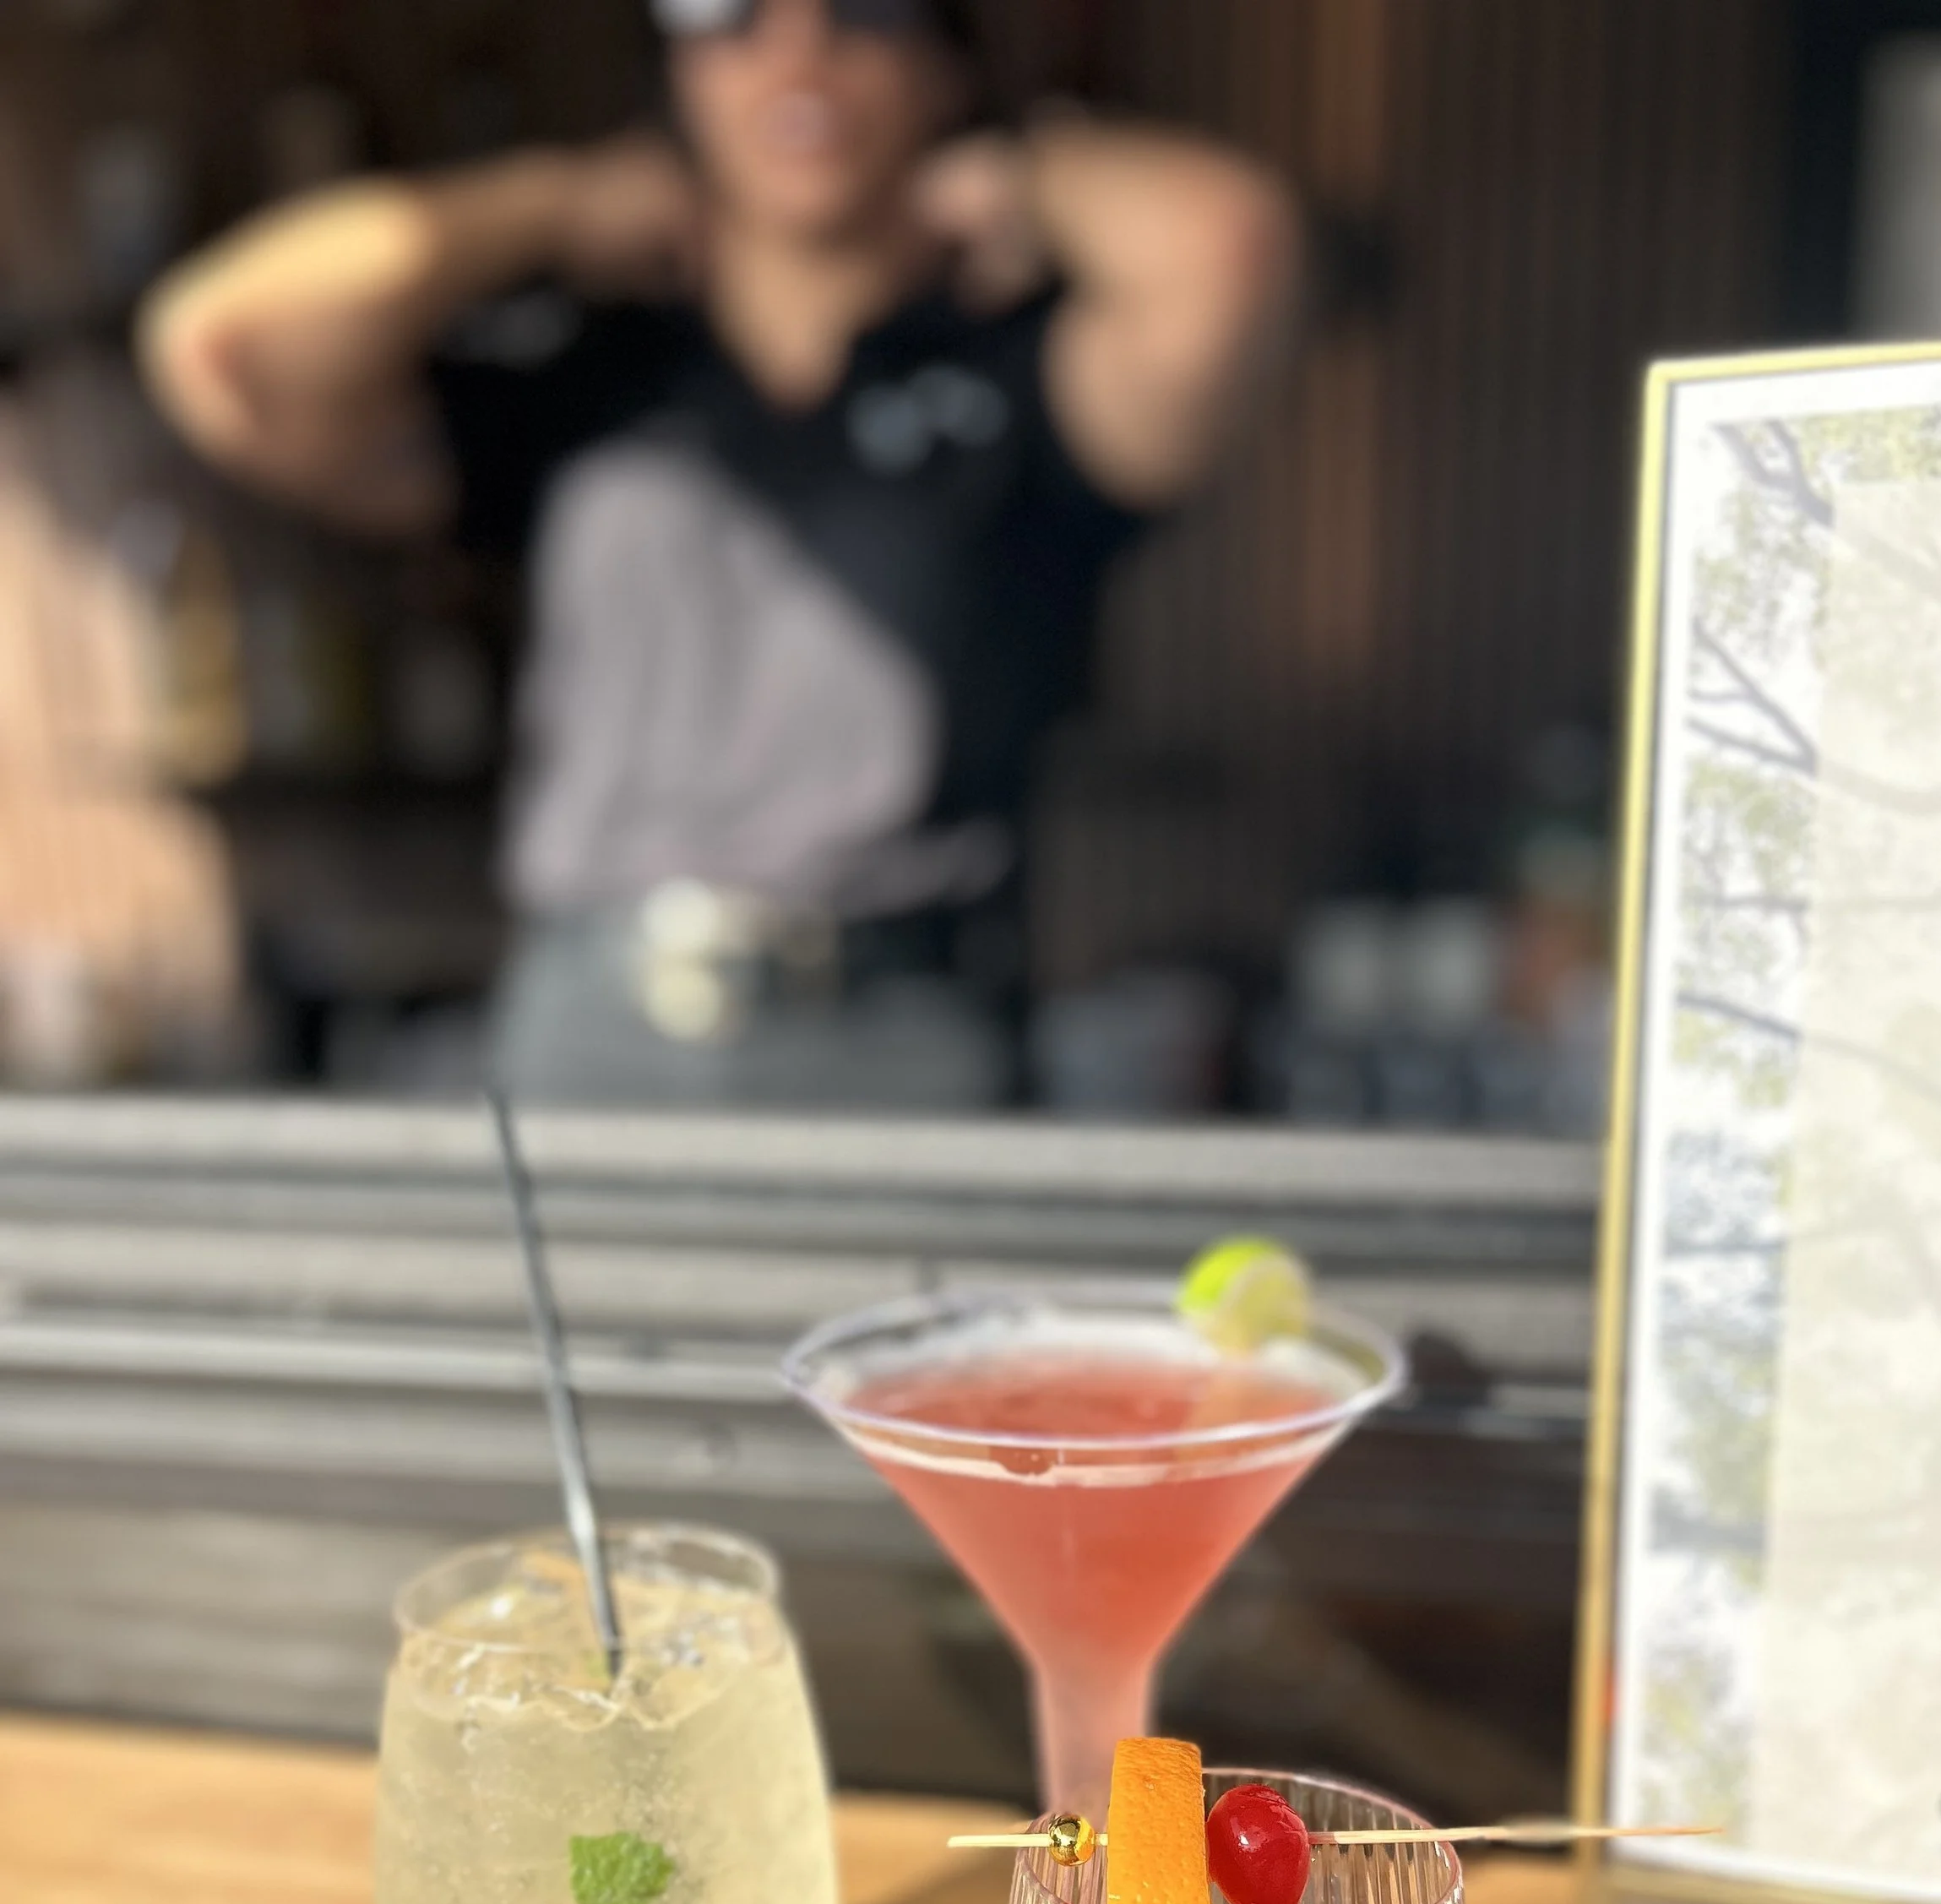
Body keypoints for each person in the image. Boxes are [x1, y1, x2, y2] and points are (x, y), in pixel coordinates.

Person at [139, 0, 1300, 1104]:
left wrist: (1019, 170)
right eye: (729, 13)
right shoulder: (591, 375)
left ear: (945, 59)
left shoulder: (1014, 375)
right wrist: (549, 202)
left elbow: (1231, 249)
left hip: (911, 1026)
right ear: (676, 67)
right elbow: (219, 343)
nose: (797, 57)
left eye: (866, 11)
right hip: (589, 1020)